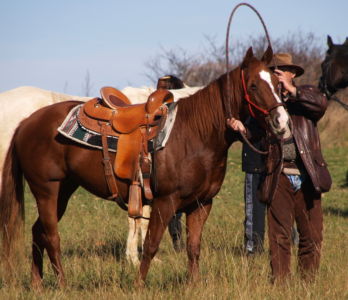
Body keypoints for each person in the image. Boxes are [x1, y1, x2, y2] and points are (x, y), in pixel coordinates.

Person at [229, 53, 332, 282]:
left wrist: (293, 92)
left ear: (292, 73)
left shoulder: (306, 94)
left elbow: (321, 105)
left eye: (280, 70)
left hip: (308, 176)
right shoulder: (268, 101)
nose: (276, 74)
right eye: (272, 70)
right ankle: (281, 284)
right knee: (279, 236)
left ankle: (307, 285)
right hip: (280, 175)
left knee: (312, 236)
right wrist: (243, 129)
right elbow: (257, 131)